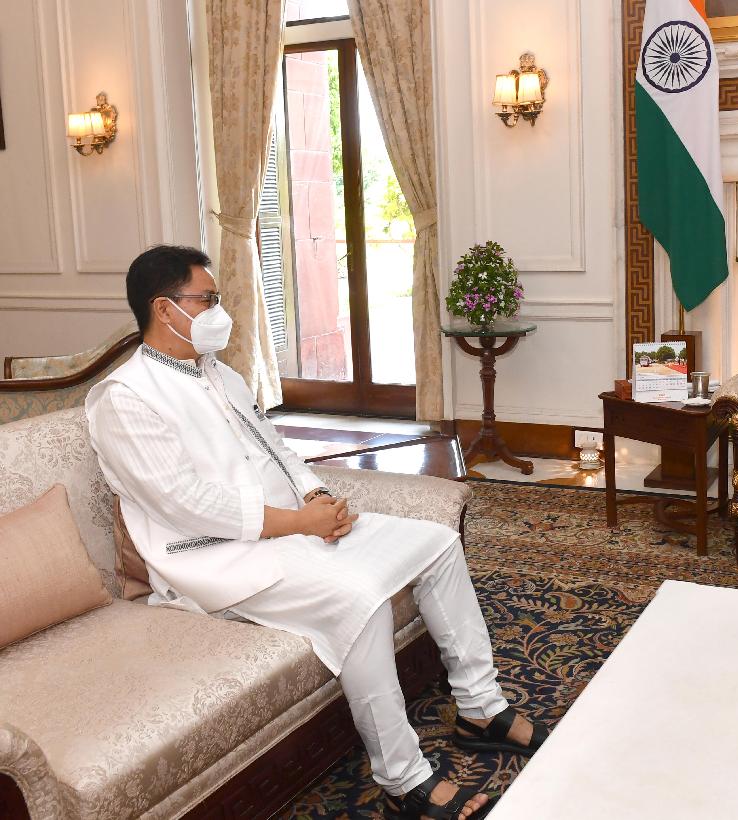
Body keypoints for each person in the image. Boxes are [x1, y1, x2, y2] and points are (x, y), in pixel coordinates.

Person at [85, 245, 544, 820]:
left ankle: (481, 707)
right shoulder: (124, 398)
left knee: (436, 543)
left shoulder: (219, 374)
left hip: (290, 531)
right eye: (207, 299)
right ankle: (404, 778)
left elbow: (275, 448)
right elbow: (186, 505)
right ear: (163, 308)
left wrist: (314, 496)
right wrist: (299, 523)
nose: (218, 311)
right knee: (360, 598)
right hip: (214, 562)